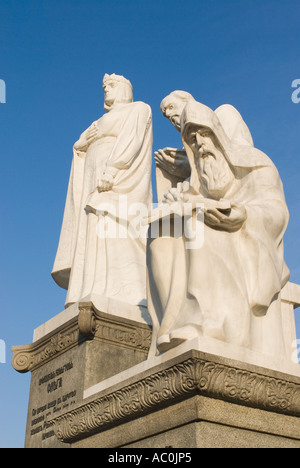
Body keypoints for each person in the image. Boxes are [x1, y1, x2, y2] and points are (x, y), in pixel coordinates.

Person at [147, 99, 290, 358]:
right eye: (192, 139)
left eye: (204, 134)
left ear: (219, 135)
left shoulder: (256, 164)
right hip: (214, 225)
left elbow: (276, 211)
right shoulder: (202, 179)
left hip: (248, 238)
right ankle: (170, 326)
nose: (200, 143)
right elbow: (190, 198)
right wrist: (178, 200)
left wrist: (243, 214)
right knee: (161, 231)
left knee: (197, 222)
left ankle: (209, 324)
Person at [52, 73, 153, 308]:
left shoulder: (138, 109)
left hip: (117, 181)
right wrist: (79, 145)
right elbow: (82, 148)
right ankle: (88, 289)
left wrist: (112, 170)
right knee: (91, 229)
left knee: (115, 227)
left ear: (125, 88)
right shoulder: (99, 120)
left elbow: (132, 139)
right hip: (92, 177)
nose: (107, 90)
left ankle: (126, 294)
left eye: (112, 85)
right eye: (104, 87)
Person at [154, 90, 254, 201]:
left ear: (188, 102)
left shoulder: (224, 114)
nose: (168, 114)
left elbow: (245, 155)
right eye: (165, 114)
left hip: (236, 195)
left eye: (171, 107)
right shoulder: (187, 147)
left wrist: (189, 164)